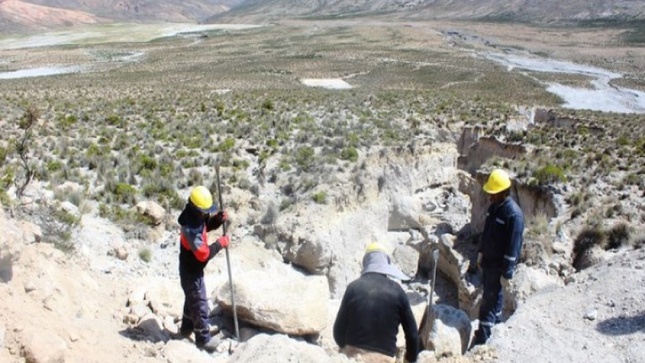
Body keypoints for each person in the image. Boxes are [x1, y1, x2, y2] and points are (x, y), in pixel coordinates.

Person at [334, 243, 419, 363]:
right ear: (386, 263)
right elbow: (412, 335)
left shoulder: (353, 287)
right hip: (384, 358)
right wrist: (409, 360)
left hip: (354, 356)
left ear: (366, 262)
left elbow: (338, 331)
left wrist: (346, 348)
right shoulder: (398, 291)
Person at [471, 169, 524, 347]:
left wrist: (507, 273)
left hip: (497, 268)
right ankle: (494, 329)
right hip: (488, 263)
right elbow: (487, 233)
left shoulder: (513, 215)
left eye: (493, 193)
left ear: (503, 192)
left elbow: (513, 247)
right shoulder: (494, 208)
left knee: (488, 302)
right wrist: (480, 252)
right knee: (493, 300)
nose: (490, 197)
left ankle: (483, 341)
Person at [177, 185, 229, 352]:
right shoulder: (190, 229)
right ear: (195, 208)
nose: (206, 214)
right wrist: (220, 244)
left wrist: (217, 220)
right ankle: (203, 339)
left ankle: (186, 328)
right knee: (199, 303)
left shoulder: (194, 215)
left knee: (190, 298)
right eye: (204, 211)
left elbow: (205, 225)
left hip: (190, 268)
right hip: (191, 272)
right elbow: (203, 255)